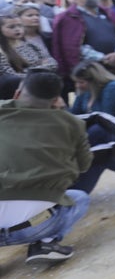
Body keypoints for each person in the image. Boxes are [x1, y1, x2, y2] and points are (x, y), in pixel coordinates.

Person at [0, 71, 92, 263]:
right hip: (32, 227)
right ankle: (46, 244)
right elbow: (85, 165)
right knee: (79, 198)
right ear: (56, 100)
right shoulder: (73, 124)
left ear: (17, 94)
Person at [51, 0, 115, 86]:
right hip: (90, 72)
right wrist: (103, 58)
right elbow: (72, 47)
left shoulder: (108, 13)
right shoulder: (68, 18)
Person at [0, 10, 57, 76]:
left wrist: (29, 71)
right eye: (11, 27)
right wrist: (41, 67)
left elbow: (52, 63)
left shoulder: (31, 45)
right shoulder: (1, 51)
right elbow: (10, 75)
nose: (17, 29)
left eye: (20, 25)